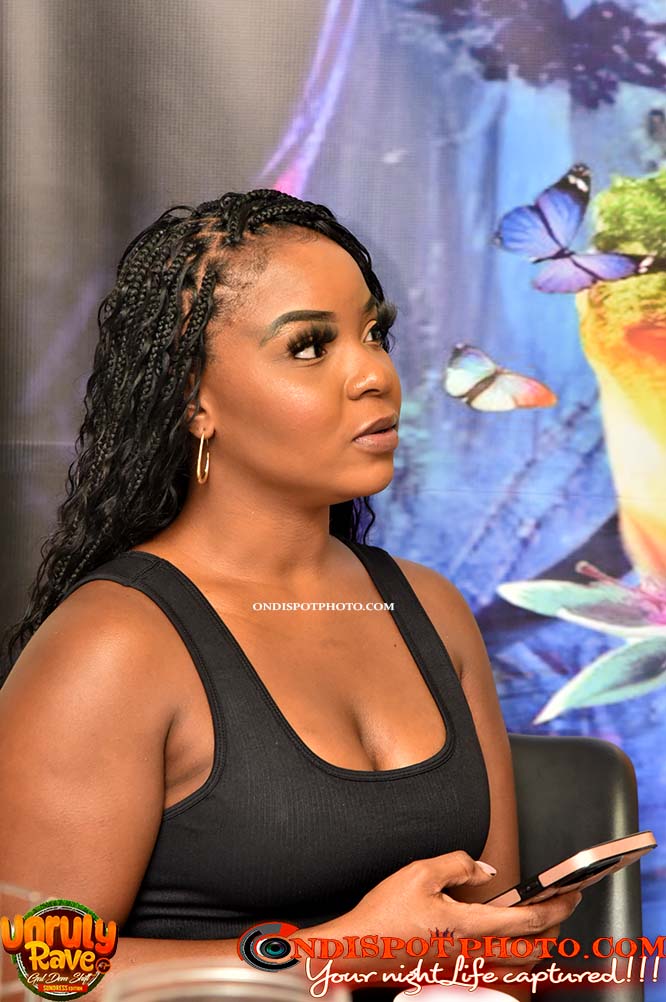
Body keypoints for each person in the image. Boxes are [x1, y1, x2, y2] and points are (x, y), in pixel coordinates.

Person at [0, 189, 580, 999]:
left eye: (374, 333)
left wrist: (513, 940)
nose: (375, 374)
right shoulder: (113, 645)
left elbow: (486, 949)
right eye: (309, 347)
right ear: (194, 399)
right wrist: (333, 954)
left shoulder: (430, 609)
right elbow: (23, 973)